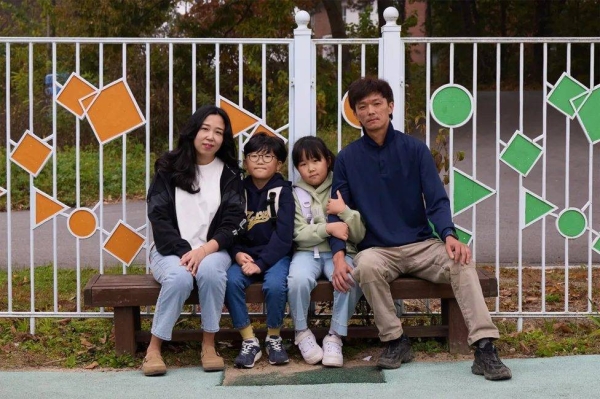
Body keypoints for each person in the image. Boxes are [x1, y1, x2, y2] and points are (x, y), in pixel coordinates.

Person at [328, 77, 512, 381]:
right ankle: (395, 341)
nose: (371, 111)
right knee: (366, 265)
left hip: (421, 244)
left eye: (377, 104)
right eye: (363, 107)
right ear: (356, 114)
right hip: (378, 249)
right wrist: (337, 255)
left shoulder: (415, 150)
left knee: (461, 262)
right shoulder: (348, 158)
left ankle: (484, 347)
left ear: (390, 107)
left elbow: (437, 200)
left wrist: (450, 236)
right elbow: (337, 212)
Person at [144, 105, 246, 376]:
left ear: (224, 139)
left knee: (212, 273)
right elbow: (158, 215)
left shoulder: (230, 173)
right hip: (170, 250)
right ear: (193, 131)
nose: (210, 136)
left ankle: (209, 344)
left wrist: (203, 251)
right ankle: (154, 348)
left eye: (218, 132)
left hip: (214, 250)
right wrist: (185, 252)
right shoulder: (168, 167)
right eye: (205, 129)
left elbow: (233, 222)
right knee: (179, 278)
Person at [287, 136, 365, 367]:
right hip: (306, 253)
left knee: (349, 278)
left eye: (315, 160)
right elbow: (297, 233)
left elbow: (358, 234)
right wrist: (328, 228)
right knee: (297, 280)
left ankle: (335, 335)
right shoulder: (294, 193)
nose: (310, 168)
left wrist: (346, 213)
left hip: (339, 254)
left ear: (328, 161)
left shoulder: (342, 186)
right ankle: (301, 331)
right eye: (302, 164)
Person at [224, 133, 294, 369]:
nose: (260, 161)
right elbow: (229, 226)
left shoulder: (283, 192)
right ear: (245, 162)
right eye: (254, 155)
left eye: (268, 156)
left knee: (275, 286)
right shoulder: (238, 191)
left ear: (279, 163)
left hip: (275, 257)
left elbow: (284, 237)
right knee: (231, 281)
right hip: (246, 255)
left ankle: (273, 337)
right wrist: (236, 253)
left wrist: (262, 263)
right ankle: (249, 340)